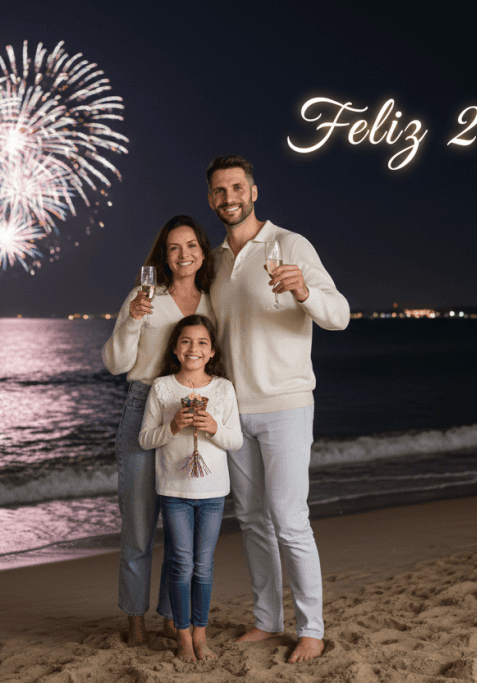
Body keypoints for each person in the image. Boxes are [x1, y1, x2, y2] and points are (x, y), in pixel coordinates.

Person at [205, 154, 350, 663]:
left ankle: (311, 629)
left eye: (237, 188)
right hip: (235, 411)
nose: (230, 199)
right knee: (252, 519)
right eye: (220, 191)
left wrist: (304, 290)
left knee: (290, 518)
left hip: (287, 405)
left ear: (254, 191)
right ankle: (267, 619)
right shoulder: (216, 261)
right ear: (211, 199)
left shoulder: (290, 244)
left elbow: (340, 315)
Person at [103, 215, 218, 645]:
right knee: (137, 526)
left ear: (203, 252)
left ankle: (172, 617)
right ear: (164, 256)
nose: (183, 254)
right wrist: (132, 319)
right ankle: (135, 620)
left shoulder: (211, 301)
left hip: (187, 413)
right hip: (141, 410)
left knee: (179, 527)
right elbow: (115, 363)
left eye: (191, 246)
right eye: (174, 248)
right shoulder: (144, 296)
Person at [138, 315, 242, 661]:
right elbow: (145, 439)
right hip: (175, 492)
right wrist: (172, 426)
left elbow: (236, 440)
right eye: (185, 341)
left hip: (212, 493)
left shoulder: (223, 389)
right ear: (175, 348)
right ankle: (182, 636)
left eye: (201, 343)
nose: (193, 348)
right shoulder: (163, 388)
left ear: (212, 351)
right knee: (182, 563)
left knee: (204, 565)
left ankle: (201, 634)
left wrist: (213, 427)